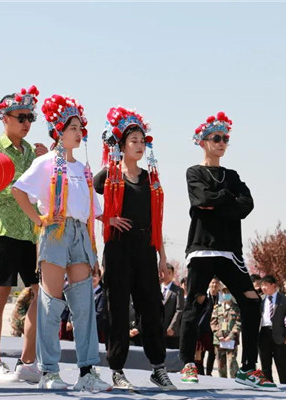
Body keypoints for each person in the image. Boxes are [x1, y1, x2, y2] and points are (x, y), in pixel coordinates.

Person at [12, 94, 111, 391]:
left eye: (80, 128)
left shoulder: (83, 169)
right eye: (73, 128)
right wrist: (39, 219)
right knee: (51, 303)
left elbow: (94, 209)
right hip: (55, 231)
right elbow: (19, 191)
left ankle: (87, 371)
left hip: (80, 233)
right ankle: (49, 371)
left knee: (83, 304)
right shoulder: (44, 163)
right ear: (59, 131)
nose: (79, 133)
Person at [180, 112, 274, 389]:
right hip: (202, 249)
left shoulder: (232, 176)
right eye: (216, 138)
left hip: (230, 251)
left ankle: (248, 368)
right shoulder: (194, 172)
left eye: (225, 139)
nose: (222, 143)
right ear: (203, 142)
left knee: (251, 301)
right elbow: (200, 198)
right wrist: (226, 199)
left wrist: (216, 203)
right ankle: (188, 363)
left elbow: (247, 205)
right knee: (196, 301)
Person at [94, 106, 176, 391]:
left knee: (151, 308)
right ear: (122, 145)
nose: (140, 146)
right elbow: (85, 198)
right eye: (133, 141)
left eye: (142, 141)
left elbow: (157, 222)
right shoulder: (110, 175)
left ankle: (158, 368)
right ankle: (117, 369)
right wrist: (108, 218)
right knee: (117, 308)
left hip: (145, 248)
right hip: (118, 247)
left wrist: (162, 258)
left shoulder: (151, 179)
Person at [0, 85, 46, 384]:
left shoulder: (32, 152)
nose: (26, 122)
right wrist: (22, 191)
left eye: (30, 117)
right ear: (4, 117)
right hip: (4, 230)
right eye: (21, 117)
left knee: (41, 293)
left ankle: (27, 361)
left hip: (30, 234)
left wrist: (46, 161)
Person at [259, 275, 286, 384]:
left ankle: (285, 385)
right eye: (262, 285)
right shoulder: (261, 299)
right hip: (263, 333)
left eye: (265, 285)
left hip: (279, 335)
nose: (263, 288)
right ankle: (268, 384)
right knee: (265, 363)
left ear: (273, 285)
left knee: (281, 363)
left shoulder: (283, 299)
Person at [210, 287, 241, 378]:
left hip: (231, 340)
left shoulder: (237, 308)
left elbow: (238, 323)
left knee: (232, 361)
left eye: (228, 293)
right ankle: (223, 381)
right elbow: (213, 322)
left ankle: (234, 380)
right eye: (224, 293)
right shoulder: (217, 308)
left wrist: (230, 336)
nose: (226, 295)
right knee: (221, 363)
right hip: (219, 340)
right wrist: (219, 335)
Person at [194, 277, 221, 376]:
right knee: (201, 352)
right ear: (209, 284)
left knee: (213, 352)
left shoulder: (221, 298)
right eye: (213, 283)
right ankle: (201, 372)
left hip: (215, 329)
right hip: (202, 328)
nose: (214, 285)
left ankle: (209, 372)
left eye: (216, 283)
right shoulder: (204, 297)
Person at [161, 264, 185, 350]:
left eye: (169, 272)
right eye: (164, 272)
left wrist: (172, 327)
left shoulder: (178, 291)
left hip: (171, 332)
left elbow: (179, 310)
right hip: (156, 330)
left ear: (173, 274)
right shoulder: (155, 289)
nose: (166, 275)